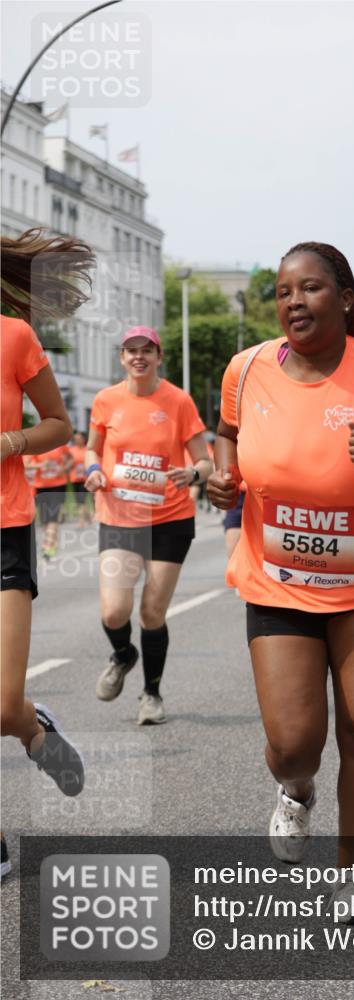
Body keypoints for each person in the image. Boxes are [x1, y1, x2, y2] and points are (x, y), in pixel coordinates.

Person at [207, 242, 354, 909]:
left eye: (308, 288)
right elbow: (227, 439)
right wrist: (224, 480)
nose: (293, 302)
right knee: (294, 745)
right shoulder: (245, 371)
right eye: (282, 291)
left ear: (344, 297)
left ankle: (351, 875)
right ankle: (295, 790)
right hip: (277, 582)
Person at [1, 228, 91, 875]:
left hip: (6, 525)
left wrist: (10, 444)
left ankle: (31, 726)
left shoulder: (14, 337)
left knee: (1, 704)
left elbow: (60, 425)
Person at [85, 326, 212, 725]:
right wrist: (92, 471)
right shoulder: (106, 400)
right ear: (121, 358)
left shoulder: (178, 401)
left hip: (169, 519)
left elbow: (205, 461)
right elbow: (92, 447)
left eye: (147, 350)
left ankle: (151, 694)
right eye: (130, 351)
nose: (138, 357)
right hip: (119, 517)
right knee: (113, 612)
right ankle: (123, 655)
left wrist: (192, 474)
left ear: (158, 357)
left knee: (152, 613)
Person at [27, 443, 72, 560]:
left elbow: (71, 459)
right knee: (45, 518)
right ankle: (52, 542)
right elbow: (26, 464)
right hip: (41, 486)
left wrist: (64, 468)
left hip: (58, 484)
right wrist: (41, 465)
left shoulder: (61, 445)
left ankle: (47, 545)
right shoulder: (37, 446)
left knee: (53, 516)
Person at [69, 430, 93, 528]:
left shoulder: (88, 449)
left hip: (87, 478)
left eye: (79, 438)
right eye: (76, 439)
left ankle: (82, 521)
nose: (77, 440)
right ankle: (88, 518)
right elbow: (66, 462)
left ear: (84, 439)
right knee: (79, 501)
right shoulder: (71, 450)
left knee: (83, 500)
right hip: (75, 479)